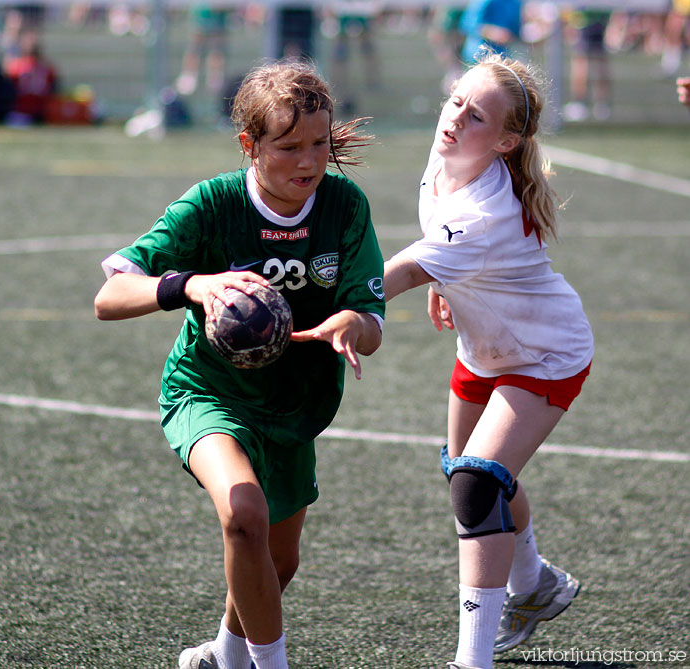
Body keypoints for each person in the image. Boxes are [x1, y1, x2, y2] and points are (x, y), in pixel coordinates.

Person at [94, 59, 385, 669]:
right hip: (208, 392)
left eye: (319, 145)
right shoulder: (211, 205)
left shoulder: (344, 206)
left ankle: (226, 655)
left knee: (279, 563)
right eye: (289, 147)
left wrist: (352, 325)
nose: (308, 161)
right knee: (244, 513)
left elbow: (369, 314)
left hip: (295, 406)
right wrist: (193, 285)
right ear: (251, 145)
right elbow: (110, 297)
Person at [383, 52, 594, 669]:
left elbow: (395, 270)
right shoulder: (449, 152)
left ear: (505, 141)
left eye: (475, 116)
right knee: (468, 472)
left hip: (545, 352)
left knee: (478, 484)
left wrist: (315, 300)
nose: (454, 120)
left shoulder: (486, 209)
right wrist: (444, 286)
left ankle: (471, 661)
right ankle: (535, 585)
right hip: (485, 344)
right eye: (455, 101)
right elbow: (437, 248)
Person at [458, 0, 521, 66]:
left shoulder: (515, 3)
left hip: (502, 57)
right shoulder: (483, 2)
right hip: (478, 56)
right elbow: (468, 24)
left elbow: (516, 30)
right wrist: (492, 33)